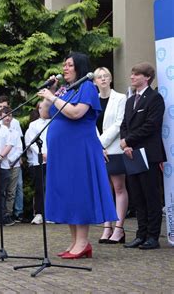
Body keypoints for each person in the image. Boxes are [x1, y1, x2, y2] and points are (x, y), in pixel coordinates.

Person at [37, 52, 117, 259]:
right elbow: (45, 113)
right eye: (64, 65)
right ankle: (75, 243)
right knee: (69, 193)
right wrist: (52, 92)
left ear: (79, 67)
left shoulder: (87, 87)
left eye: (69, 65)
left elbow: (76, 113)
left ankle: (82, 243)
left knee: (79, 192)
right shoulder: (65, 89)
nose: (65, 68)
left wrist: (53, 97)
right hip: (63, 153)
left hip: (79, 151)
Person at [121, 62, 166, 250]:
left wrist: (129, 141)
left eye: (136, 74)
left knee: (151, 196)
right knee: (137, 197)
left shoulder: (155, 98)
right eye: (132, 74)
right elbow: (124, 124)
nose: (132, 77)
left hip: (148, 153)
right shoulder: (130, 100)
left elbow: (151, 125)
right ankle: (141, 234)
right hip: (131, 154)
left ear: (146, 77)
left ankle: (153, 236)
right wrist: (125, 142)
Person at [93, 67, 128, 244]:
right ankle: (107, 226)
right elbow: (90, 124)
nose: (103, 79)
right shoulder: (92, 100)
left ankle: (119, 228)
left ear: (111, 78)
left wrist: (102, 144)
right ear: (95, 81)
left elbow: (119, 123)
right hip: (99, 151)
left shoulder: (121, 98)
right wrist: (98, 147)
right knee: (105, 189)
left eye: (106, 76)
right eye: (99, 77)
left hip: (114, 149)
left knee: (119, 187)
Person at [0, 96, 25, 222]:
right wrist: (5, 160)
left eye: (9, 115)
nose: (7, 118)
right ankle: (1, 213)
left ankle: (9, 213)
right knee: (2, 190)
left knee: (12, 191)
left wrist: (12, 161)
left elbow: (19, 148)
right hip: (1, 164)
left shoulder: (15, 132)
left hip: (14, 165)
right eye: (5, 115)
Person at [24, 102, 48, 225]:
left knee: (52, 186)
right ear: (38, 110)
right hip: (38, 161)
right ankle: (39, 213)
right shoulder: (33, 125)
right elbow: (30, 142)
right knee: (40, 187)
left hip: (53, 159)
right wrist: (42, 153)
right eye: (42, 108)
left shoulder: (54, 122)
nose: (45, 110)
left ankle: (51, 212)